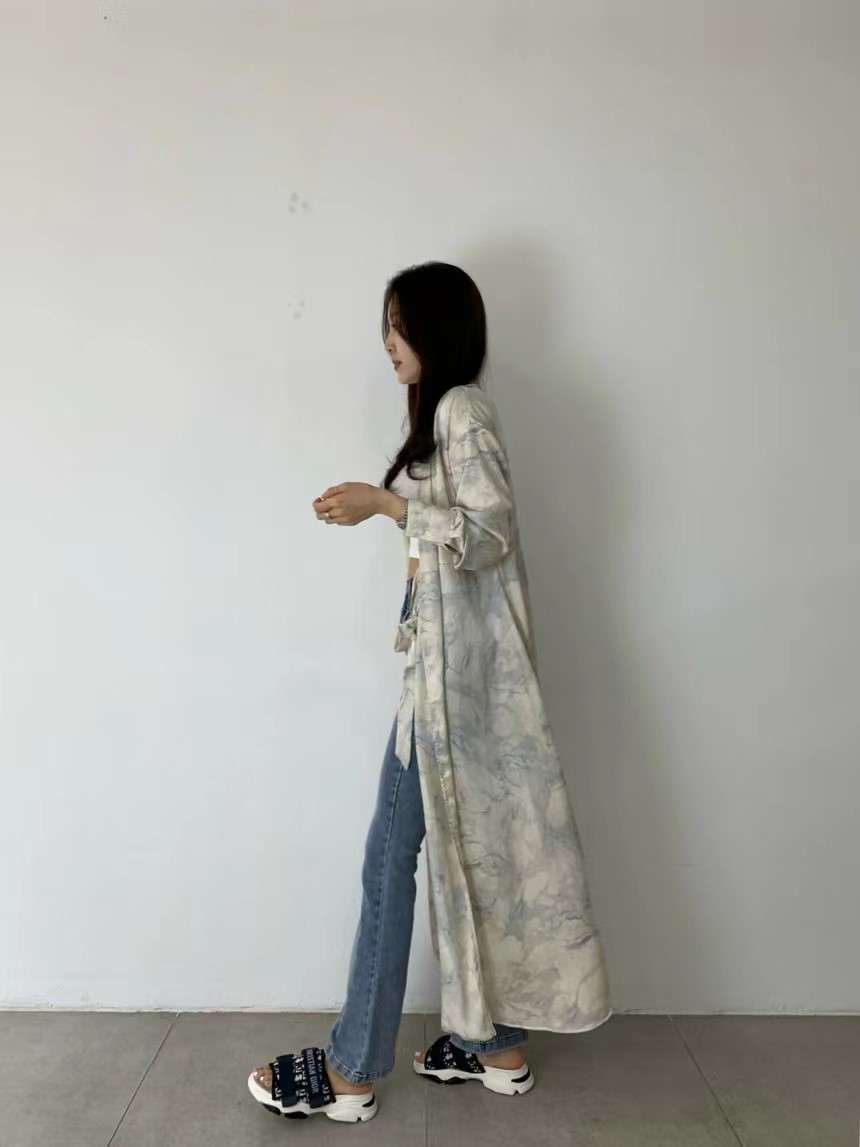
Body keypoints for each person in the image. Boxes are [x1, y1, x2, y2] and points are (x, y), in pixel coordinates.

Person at [247, 261, 612, 1123]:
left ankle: (351, 1071)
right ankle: (496, 1049)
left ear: (437, 328)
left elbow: (489, 532)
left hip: (453, 697)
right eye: (386, 324)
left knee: (390, 858)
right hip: (451, 687)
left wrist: (388, 506)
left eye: (399, 324)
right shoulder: (446, 413)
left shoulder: (461, 411)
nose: (388, 342)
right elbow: (452, 552)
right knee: (463, 854)